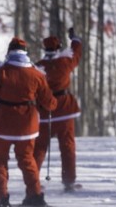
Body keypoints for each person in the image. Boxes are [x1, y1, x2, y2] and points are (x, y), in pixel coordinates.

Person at [0, 37, 57, 207]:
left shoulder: (2, 72)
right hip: (27, 126)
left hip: (3, 124)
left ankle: (0, 197)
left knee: (0, 160)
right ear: (25, 52)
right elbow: (49, 102)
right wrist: (53, 103)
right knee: (27, 160)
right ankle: (34, 195)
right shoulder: (36, 74)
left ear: (9, 52)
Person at [34, 28, 83, 192]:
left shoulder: (38, 67)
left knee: (39, 148)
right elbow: (76, 53)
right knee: (67, 146)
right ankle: (68, 182)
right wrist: (75, 39)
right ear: (58, 48)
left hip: (44, 111)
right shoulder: (65, 62)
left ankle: (32, 181)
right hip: (64, 110)